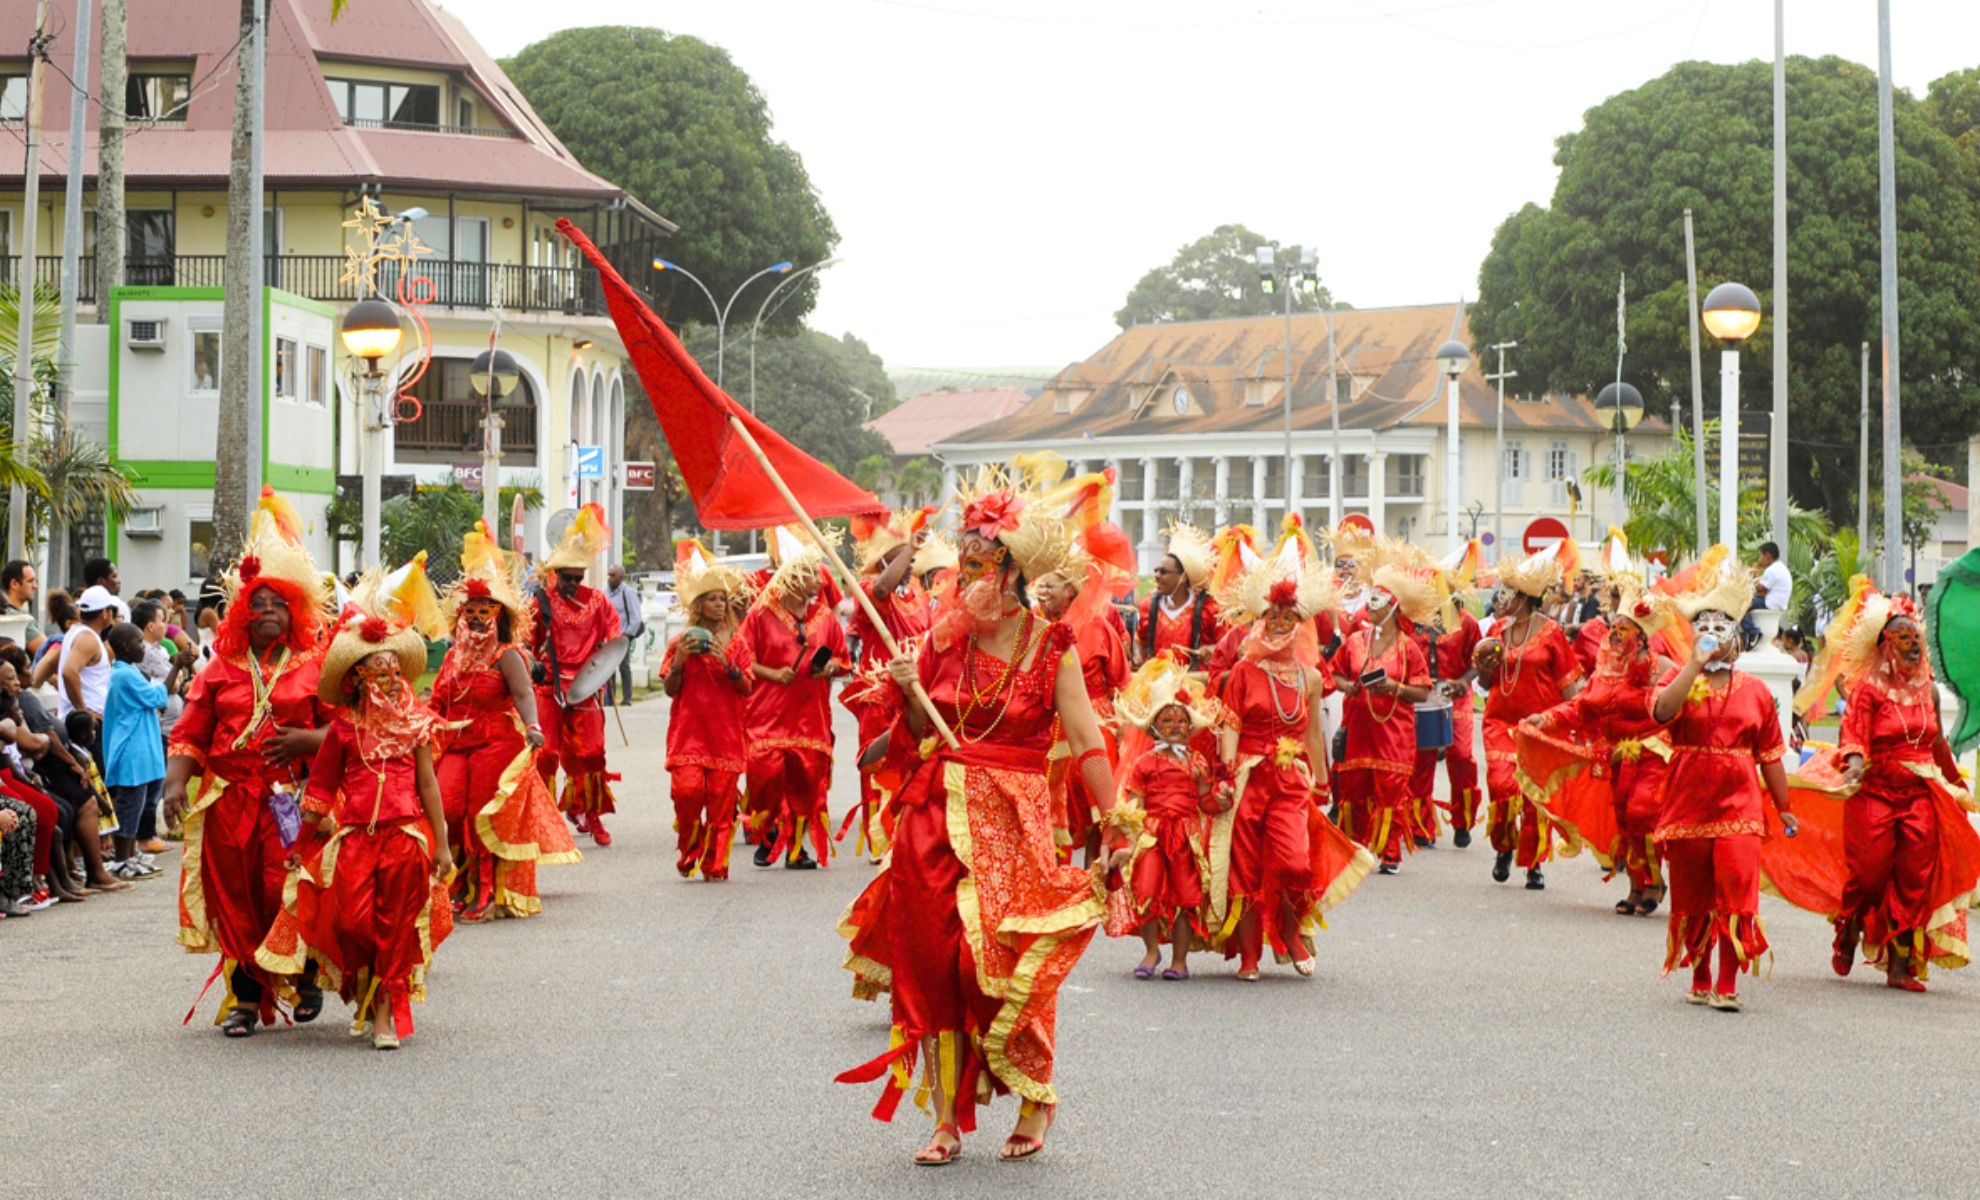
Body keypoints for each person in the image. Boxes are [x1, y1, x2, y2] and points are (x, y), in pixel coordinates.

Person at [835, 464, 1115, 1164]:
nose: (969, 578)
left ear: (1015, 571)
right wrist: (900, 694)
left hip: (1015, 823)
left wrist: (1116, 821)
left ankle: (1034, 1097)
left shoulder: (1052, 646)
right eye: (964, 565)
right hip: (935, 818)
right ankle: (946, 1121)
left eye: (984, 564)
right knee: (935, 965)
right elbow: (911, 736)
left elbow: (1085, 741)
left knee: (995, 963)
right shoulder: (940, 642)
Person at [162, 488, 333, 1037]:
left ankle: (302, 975)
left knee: (283, 887)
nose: (266, 612)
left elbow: (346, 731)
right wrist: (173, 786)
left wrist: (308, 742)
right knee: (233, 895)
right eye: (256, 604)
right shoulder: (220, 668)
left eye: (277, 604)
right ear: (241, 611)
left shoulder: (315, 666)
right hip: (228, 799)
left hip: (291, 800)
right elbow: (190, 731)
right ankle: (244, 998)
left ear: (294, 611)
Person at [262, 573, 453, 1049]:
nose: (388, 681)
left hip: (406, 836)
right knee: (353, 923)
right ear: (358, 680)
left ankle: (385, 1011)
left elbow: (428, 785)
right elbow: (321, 790)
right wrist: (303, 844)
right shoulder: (344, 732)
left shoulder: (416, 728)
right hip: (354, 840)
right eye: (377, 672)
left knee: (395, 924)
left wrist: (444, 845)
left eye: (394, 672)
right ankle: (366, 991)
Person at [1788, 579, 1980, 992]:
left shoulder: (1928, 690)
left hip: (1920, 796)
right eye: (1903, 638)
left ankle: (1899, 963)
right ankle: (1850, 925)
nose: (1913, 645)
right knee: (1870, 876)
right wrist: (1855, 764)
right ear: (1886, 645)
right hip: (1874, 791)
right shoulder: (1868, 690)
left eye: (1916, 638)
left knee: (1914, 879)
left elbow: (1936, 742)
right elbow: (1853, 732)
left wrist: (1953, 785)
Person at [1210, 524, 1372, 980]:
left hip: (1290, 780)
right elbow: (1229, 724)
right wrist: (1226, 773)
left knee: (1294, 860)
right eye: (1273, 618)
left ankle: (1290, 928)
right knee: (1243, 867)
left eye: (1289, 619)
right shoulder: (1242, 671)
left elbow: (1314, 735)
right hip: (1247, 777)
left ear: (1300, 624)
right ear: (1260, 620)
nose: (1280, 626)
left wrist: (1322, 782)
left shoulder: (1310, 677)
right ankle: (1248, 956)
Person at [1650, 555, 1797, 1012]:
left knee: (1736, 885)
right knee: (1693, 893)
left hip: (1741, 805)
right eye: (1704, 625)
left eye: (1721, 625)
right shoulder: (1678, 677)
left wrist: (1785, 805)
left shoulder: (1754, 690)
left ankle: (1728, 982)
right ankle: (1699, 974)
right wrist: (1693, 665)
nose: (1712, 632)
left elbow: (1771, 754)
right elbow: (1660, 713)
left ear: (1738, 636)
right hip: (1688, 798)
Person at [432, 522, 578, 921]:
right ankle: (459, 884)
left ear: (498, 618)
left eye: (485, 613)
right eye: (471, 613)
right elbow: (438, 700)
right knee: (446, 809)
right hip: (456, 744)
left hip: (497, 743)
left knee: (483, 813)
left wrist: (534, 726)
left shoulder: (506, 654)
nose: (477, 619)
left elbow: (523, 694)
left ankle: (486, 891)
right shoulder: (450, 657)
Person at [1520, 571, 1681, 916]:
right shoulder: (1605, 668)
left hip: (1654, 750)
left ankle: (1655, 880)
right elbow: (1582, 706)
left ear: (1640, 636)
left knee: (1642, 810)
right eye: (1613, 628)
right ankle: (1637, 885)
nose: (1614, 635)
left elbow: (1679, 708)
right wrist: (1546, 718)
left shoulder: (1662, 667)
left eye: (1623, 629)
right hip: (1617, 754)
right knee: (1624, 818)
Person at [1473, 545, 1583, 891]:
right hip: (1499, 722)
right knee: (1503, 787)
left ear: (1525, 598)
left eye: (1509, 593)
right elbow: (1484, 683)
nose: (1502, 599)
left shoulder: (1551, 634)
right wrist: (1483, 670)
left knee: (1534, 796)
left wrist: (1579, 723)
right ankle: (1504, 847)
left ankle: (1533, 862)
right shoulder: (1496, 633)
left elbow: (1570, 687)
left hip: (1538, 725)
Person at [739, 530, 848, 869]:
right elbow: (742, 659)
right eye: (812, 575)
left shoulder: (825, 618)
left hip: (810, 712)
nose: (819, 581)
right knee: (765, 774)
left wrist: (828, 667)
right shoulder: (760, 613)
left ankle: (796, 849)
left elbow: (843, 659)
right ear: (793, 578)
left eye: (818, 574)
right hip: (767, 711)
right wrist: (774, 674)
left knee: (805, 779)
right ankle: (769, 832)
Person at [1109, 656, 1221, 981]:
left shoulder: (1198, 762)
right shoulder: (1144, 763)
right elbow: (1135, 805)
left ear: (1190, 728)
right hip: (1153, 834)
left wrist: (1220, 801)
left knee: (1185, 896)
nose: (1175, 725)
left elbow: (1205, 802)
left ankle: (1180, 960)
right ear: (1155, 727)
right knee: (1146, 890)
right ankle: (1151, 951)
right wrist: (1129, 842)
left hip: (1186, 836)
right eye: (1167, 720)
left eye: (1181, 721)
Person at [1331, 559, 1434, 874]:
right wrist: (1347, 686)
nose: (1370, 606)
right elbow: (1332, 674)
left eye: (1377, 601)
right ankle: (1356, 850)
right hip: (1358, 729)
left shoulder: (1409, 649)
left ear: (1393, 608)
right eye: (1369, 599)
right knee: (1353, 789)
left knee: (1390, 791)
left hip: (1394, 734)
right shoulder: (1354, 643)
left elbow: (1423, 691)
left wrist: (1394, 687)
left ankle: (1390, 853)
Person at [842, 510, 935, 858]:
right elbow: (882, 587)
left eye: (911, 558)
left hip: (914, 689)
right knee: (879, 761)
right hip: (878, 691)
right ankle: (879, 839)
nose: (910, 563)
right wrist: (909, 547)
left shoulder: (918, 595)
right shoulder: (868, 589)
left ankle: (906, 832)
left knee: (914, 759)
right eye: (901, 557)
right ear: (884, 560)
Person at [531, 504, 623, 845]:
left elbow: (615, 632)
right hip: (549, 686)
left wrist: (610, 655)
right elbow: (527, 641)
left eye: (577, 579)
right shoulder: (541, 602)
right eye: (566, 578)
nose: (572, 584)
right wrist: (531, 662)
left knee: (592, 753)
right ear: (556, 575)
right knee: (546, 753)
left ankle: (590, 812)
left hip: (586, 685)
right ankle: (541, 818)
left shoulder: (598, 601)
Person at [658, 541, 751, 881]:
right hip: (689, 735)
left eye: (722, 598)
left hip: (725, 736)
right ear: (699, 605)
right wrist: (681, 661)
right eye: (711, 598)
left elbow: (746, 689)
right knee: (687, 793)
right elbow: (670, 689)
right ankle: (690, 849)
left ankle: (716, 864)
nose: (718, 603)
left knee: (721, 804)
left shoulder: (738, 643)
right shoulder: (680, 642)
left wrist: (728, 665)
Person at [1408, 541, 1484, 847]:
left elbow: (1478, 660)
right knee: (1421, 760)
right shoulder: (1413, 619)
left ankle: (1462, 820)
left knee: (1462, 756)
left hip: (1456, 695)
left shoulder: (1467, 623)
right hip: (1422, 695)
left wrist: (1464, 681)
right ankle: (1419, 825)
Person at [102, 623, 182, 880]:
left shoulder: (131, 672)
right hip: (131, 751)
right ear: (126, 646)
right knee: (129, 805)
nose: (143, 648)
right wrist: (177, 666)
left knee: (137, 804)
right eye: (138, 642)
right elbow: (158, 697)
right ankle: (121, 859)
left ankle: (129, 854)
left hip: (141, 749)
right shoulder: (123, 675)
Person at [1134, 523, 1222, 672]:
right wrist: (1137, 655)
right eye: (1156, 571)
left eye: (1163, 572)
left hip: (1194, 686)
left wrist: (1211, 649)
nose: (1156, 576)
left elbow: (1228, 645)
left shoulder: (1209, 607)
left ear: (1182, 577)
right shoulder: (1148, 606)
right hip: (1156, 686)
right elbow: (1140, 639)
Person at [56, 586, 119, 725]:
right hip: (89, 722)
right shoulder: (87, 639)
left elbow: (52, 663)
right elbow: (69, 672)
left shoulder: (77, 632)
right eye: (110, 609)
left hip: (90, 718)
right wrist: (83, 711)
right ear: (104, 613)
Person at [601, 564, 644, 708]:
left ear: (621, 577)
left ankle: (627, 698)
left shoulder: (628, 593)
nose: (610, 578)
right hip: (608, 637)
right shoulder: (605, 592)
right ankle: (610, 699)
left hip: (623, 636)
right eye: (609, 575)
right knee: (608, 668)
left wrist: (627, 635)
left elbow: (636, 617)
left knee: (624, 667)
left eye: (613, 575)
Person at [1, 559, 46, 657]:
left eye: (35, 581)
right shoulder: (18, 619)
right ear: (14, 584)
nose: (35, 586)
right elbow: (47, 650)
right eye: (30, 581)